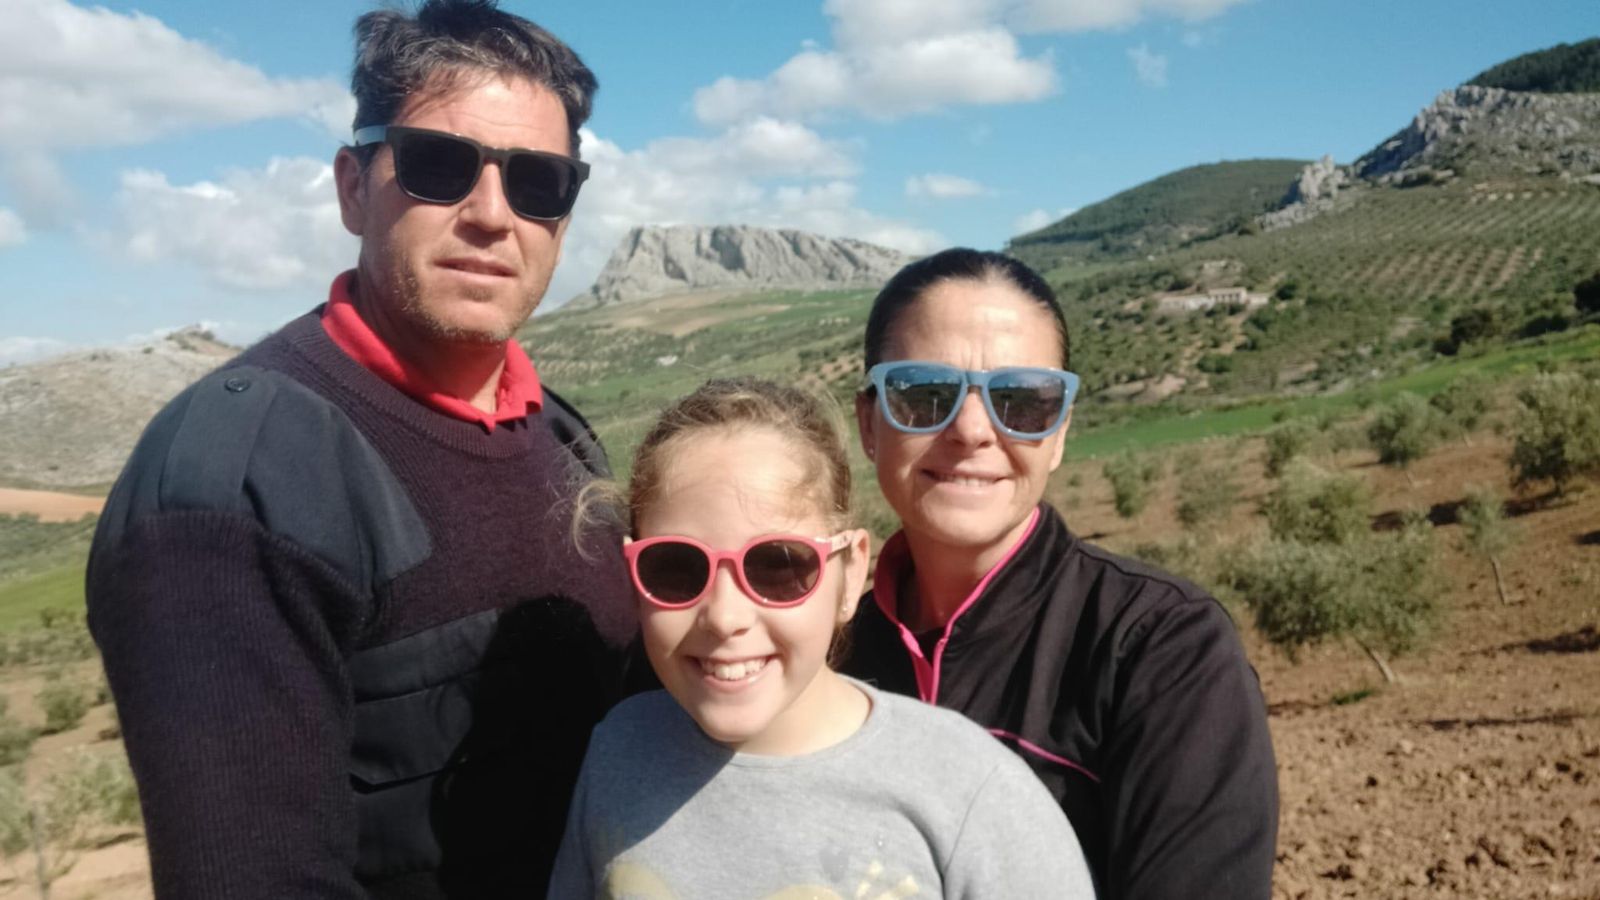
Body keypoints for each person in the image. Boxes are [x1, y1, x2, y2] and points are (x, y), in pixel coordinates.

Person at [84, 2, 634, 896]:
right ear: (352, 186)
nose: (492, 215)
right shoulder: (235, 485)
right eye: (439, 165)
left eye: (538, 182)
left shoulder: (563, 435)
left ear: (565, 216)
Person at [549, 379, 1097, 899]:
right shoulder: (618, 752)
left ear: (850, 572)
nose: (723, 616)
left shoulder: (972, 794)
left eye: (778, 566)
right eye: (674, 568)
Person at [842, 248, 1279, 900]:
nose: (970, 430)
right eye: (923, 393)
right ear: (871, 424)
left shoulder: (1161, 650)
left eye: (1021, 402)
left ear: (1061, 432)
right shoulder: (824, 646)